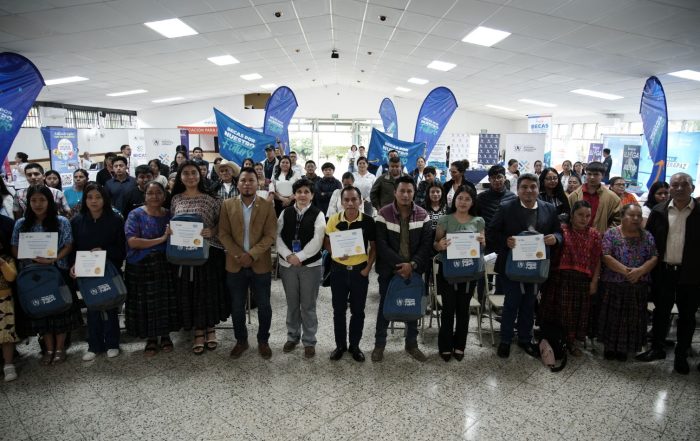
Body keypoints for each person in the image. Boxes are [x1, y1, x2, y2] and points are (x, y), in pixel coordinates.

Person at [488, 173, 562, 359]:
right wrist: (505, 241)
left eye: (533, 187)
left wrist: (555, 238)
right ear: (518, 189)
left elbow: (559, 232)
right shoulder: (506, 207)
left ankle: (525, 339)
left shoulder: (549, 209)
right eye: (524, 187)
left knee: (529, 303)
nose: (529, 190)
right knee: (511, 303)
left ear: (538, 189)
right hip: (511, 266)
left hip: (536, 266)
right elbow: (492, 232)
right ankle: (505, 340)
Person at [637, 173, 700, 374]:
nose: (679, 188)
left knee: (687, 316)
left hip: (691, 274)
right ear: (670, 188)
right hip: (664, 272)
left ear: (692, 188)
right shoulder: (659, 211)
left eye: (684, 184)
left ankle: (681, 355)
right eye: (675, 184)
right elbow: (649, 241)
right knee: (661, 312)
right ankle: (657, 349)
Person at [11, 185, 79, 365]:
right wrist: (31, 257)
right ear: (28, 202)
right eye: (33, 200)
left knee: (60, 311)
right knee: (41, 310)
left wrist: (53, 259)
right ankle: (48, 349)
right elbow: (15, 248)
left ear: (50, 201)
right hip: (33, 276)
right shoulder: (21, 223)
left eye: (42, 200)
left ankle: (60, 348)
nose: (38, 204)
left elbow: (68, 245)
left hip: (57, 272)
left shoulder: (61, 221)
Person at [218, 167, 277, 360]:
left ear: (257, 183)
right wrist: (239, 255)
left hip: (260, 264)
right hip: (235, 264)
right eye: (243, 180)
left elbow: (270, 235)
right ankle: (241, 341)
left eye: (251, 180)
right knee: (237, 306)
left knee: (264, 306)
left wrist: (251, 255)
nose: (247, 184)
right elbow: (223, 233)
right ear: (238, 183)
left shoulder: (267, 205)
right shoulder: (227, 205)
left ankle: (263, 340)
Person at [372, 176, 432, 363]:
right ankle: (379, 345)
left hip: (415, 270)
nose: (405, 195)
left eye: (409, 191)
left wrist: (412, 265)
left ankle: (411, 344)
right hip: (389, 271)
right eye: (402, 191)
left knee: (413, 306)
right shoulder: (383, 214)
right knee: (385, 307)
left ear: (414, 193)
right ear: (395, 192)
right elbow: (381, 245)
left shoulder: (423, 215)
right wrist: (401, 265)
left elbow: (426, 245)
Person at [170, 161, 228, 355]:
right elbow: (173, 222)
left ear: (200, 175)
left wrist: (213, 230)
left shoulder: (212, 198)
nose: (190, 176)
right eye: (185, 173)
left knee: (207, 292)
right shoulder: (176, 199)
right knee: (191, 293)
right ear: (180, 177)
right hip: (184, 254)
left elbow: (223, 223)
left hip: (208, 252)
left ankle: (210, 329)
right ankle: (198, 330)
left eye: (193, 172)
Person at [70, 183, 126, 361]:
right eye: (89, 197)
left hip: (109, 270)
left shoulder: (115, 219)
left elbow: (122, 249)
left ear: (105, 199)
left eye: (98, 197)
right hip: (86, 272)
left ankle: (112, 343)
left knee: (110, 307)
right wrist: (73, 265)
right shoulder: (77, 221)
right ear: (84, 200)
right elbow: (72, 248)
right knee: (92, 308)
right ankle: (94, 345)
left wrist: (104, 251)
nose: (93, 201)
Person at [539, 201, 602, 356]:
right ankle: (553, 341)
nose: (584, 219)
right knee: (557, 314)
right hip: (559, 280)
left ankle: (571, 343)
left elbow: (597, 260)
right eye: (580, 215)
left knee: (576, 315)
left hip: (582, 282)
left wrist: (594, 282)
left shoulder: (594, 235)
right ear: (572, 215)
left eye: (588, 216)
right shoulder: (562, 230)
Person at [124, 181, 178, 356]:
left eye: (158, 193)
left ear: (164, 195)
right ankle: (151, 338)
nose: (154, 196)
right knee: (146, 304)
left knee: (164, 303)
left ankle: (166, 335)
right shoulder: (135, 214)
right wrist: (161, 239)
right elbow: (133, 242)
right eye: (150, 193)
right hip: (140, 266)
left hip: (165, 265)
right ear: (144, 196)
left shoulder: (170, 215)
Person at [598, 204, 657, 361]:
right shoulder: (611, 234)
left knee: (632, 319)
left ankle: (625, 349)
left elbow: (654, 256)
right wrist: (627, 271)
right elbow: (605, 256)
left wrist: (640, 271)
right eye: (632, 215)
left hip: (638, 286)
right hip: (614, 285)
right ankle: (610, 347)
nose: (636, 218)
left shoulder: (647, 236)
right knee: (612, 318)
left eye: (639, 215)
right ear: (622, 216)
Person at [432, 185, 485, 362]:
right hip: (448, 271)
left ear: (473, 202)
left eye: (467, 199)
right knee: (448, 309)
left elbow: (482, 247)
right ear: (454, 199)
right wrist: (440, 245)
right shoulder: (445, 220)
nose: (463, 202)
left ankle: (460, 345)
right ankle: (445, 346)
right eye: (460, 198)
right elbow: (436, 244)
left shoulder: (478, 221)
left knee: (463, 310)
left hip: (469, 272)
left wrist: (482, 242)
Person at [325, 186, 376, 362]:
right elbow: (326, 241)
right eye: (346, 200)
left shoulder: (368, 221)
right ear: (341, 202)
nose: (350, 203)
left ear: (360, 201)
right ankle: (340, 346)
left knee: (358, 311)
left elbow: (374, 247)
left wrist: (367, 268)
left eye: (354, 199)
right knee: (338, 311)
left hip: (359, 272)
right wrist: (334, 252)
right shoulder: (333, 220)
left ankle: (355, 346)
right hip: (338, 271)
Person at [276, 179, 326, 358]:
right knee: (292, 304)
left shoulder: (318, 214)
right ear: (294, 195)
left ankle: (309, 341)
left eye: (306, 192)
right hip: (287, 264)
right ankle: (292, 336)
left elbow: (318, 239)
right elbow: (277, 235)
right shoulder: (285, 212)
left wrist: (300, 256)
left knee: (308, 305)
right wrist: (288, 255)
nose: (302, 195)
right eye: (299, 192)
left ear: (312, 195)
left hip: (310, 266)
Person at [567, 161, 621, 234]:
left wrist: (608, 234)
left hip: (600, 237)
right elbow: (568, 217)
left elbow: (618, 219)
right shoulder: (574, 196)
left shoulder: (612, 198)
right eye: (589, 174)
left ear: (602, 176)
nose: (592, 177)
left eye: (596, 174)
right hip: (577, 236)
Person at [0, 231, 18, 381]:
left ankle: (9, 365)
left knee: (6, 334)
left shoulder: (7, 259)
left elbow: (11, 276)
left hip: (4, 300)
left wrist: (1, 263)